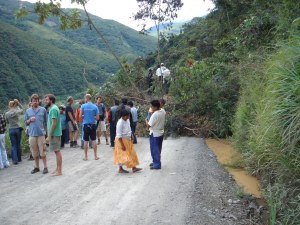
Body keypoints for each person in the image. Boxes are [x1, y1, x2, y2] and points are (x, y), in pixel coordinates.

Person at [24, 94, 48, 174]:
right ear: (31, 102)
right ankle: (37, 167)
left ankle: (45, 167)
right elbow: (25, 123)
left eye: (37, 101)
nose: (35, 102)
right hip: (32, 134)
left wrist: (46, 132)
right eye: (34, 101)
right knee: (34, 152)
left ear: (38, 101)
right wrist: (29, 120)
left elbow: (46, 122)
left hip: (41, 134)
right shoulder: (28, 111)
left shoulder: (43, 110)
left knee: (43, 151)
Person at [114, 109, 142, 173]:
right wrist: (122, 145)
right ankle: (120, 168)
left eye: (128, 116)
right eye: (126, 116)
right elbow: (119, 135)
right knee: (122, 155)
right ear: (123, 116)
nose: (128, 117)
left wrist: (131, 135)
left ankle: (134, 167)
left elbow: (129, 129)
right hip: (121, 140)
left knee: (132, 153)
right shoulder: (120, 123)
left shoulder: (127, 120)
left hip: (128, 139)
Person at [44, 94, 62, 176]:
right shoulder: (53, 108)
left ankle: (59, 171)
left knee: (57, 151)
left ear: (51, 100)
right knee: (56, 151)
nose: (45, 101)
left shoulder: (53, 109)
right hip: (55, 133)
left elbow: (54, 124)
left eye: (47, 100)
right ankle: (57, 169)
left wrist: (49, 135)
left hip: (54, 134)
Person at [147, 100, 166, 170]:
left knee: (154, 149)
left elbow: (149, 125)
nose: (151, 107)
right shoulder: (163, 111)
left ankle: (157, 164)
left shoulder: (155, 114)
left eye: (151, 106)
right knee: (158, 148)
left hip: (154, 133)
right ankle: (155, 161)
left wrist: (146, 121)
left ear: (155, 107)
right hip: (160, 132)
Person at [80, 94, 99, 161]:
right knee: (94, 140)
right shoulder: (95, 106)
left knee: (86, 141)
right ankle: (95, 156)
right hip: (93, 125)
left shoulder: (83, 106)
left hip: (86, 125)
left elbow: (80, 116)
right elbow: (97, 118)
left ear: (86, 98)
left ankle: (86, 157)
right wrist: (92, 117)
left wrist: (84, 116)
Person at [5, 99, 23, 165]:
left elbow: (7, 122)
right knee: (18, 144)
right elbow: (22, 109)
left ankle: (15, 160)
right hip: (18, 128)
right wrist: (18, 103)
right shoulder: (16, 111)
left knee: (13, 145)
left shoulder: (6, 113)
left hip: (11, 129)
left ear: (9, 106)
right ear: (14, 105)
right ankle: (19, 158)